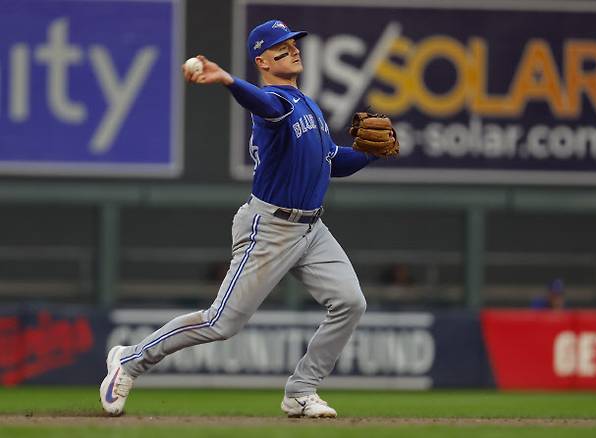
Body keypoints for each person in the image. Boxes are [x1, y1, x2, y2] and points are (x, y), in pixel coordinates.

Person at [100, 19, 388, 418]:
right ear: (263, 60)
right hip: (269, 228)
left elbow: (331, 162)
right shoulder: (274, 102)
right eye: (281, 47)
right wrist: (228, 81)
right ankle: (130, 359)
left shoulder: (308, 104)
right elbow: (264, 105)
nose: (293, 49)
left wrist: (371, 154)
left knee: (350, 302)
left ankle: (301, 391)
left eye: (294, 43)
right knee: (221, 323)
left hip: (312, 231)